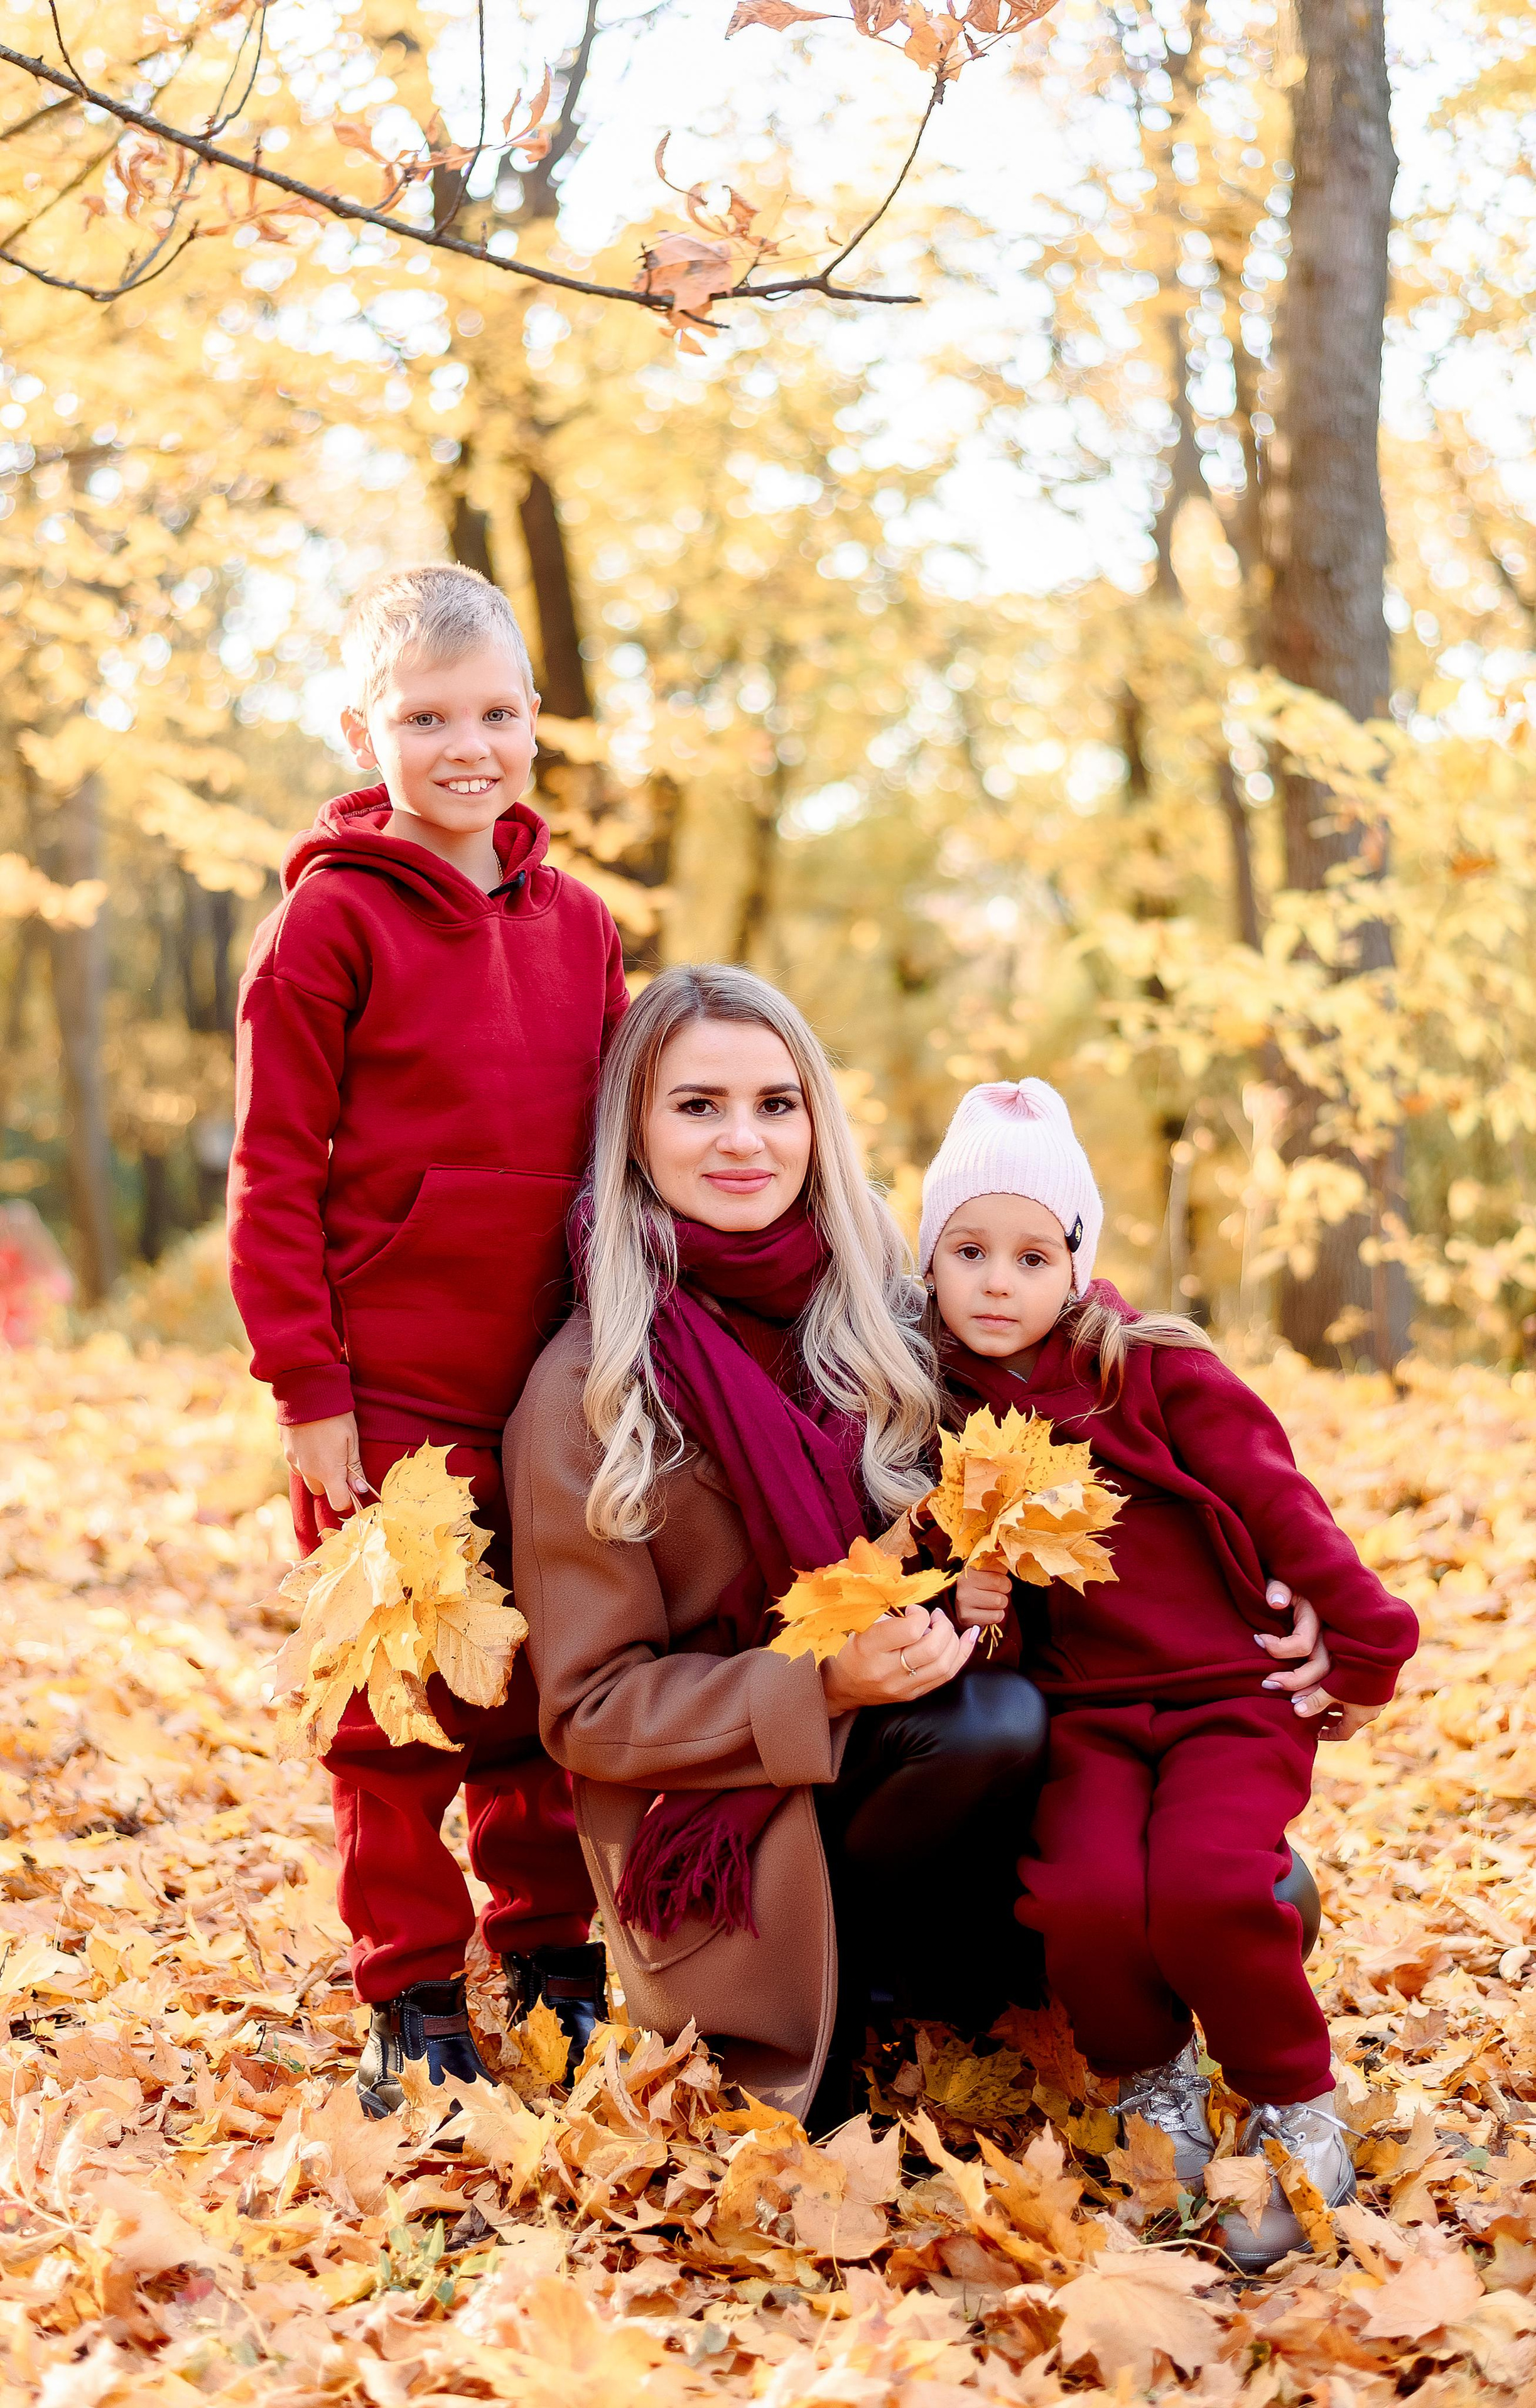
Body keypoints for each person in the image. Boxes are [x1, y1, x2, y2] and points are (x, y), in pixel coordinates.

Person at [505, 965, 1052, 2127]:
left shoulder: (885, 1318)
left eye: (776, 1102)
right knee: (985, 1726)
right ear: (635, 1132)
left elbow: (1074, 1378)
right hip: (726, 1829)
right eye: (698, 1105)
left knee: (1257, 1891)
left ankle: (952, 2005)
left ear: (817, 1120)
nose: (744, 1139)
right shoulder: (589, 1390)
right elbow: (591, 1711)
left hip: (920, 1751)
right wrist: (823, 1684)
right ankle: (867, 2023)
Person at [228, 563, 627, 2112]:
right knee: (391, 1700)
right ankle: (408, 1985)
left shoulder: (581, 926)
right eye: (425, 719)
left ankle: (549, 1950)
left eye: (496, 714)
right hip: (385, 1388)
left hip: (550, 1384)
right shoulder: (325, 928)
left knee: (536, 1684)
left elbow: (617, 1159)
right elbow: (274, 1176)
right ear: (362, 732)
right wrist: (306, 1389)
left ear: (534, 720)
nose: (468, 746)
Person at [919, 1077, 1419, 2270]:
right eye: (969, 1252)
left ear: (1077, 1263)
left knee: (1205, 1887)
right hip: (1084, 1713)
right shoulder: (936, 1405)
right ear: (928, 1260)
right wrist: (965, 1600)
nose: (998, 1283)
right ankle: (1156, 2085)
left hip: (1231, 1697)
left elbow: (1282, 1505)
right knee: (1083, 1899)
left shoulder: (1152, 1371)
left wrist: (1368, 1645)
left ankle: (1294, 2099)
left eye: (1033, 1257)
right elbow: (946, 1574)